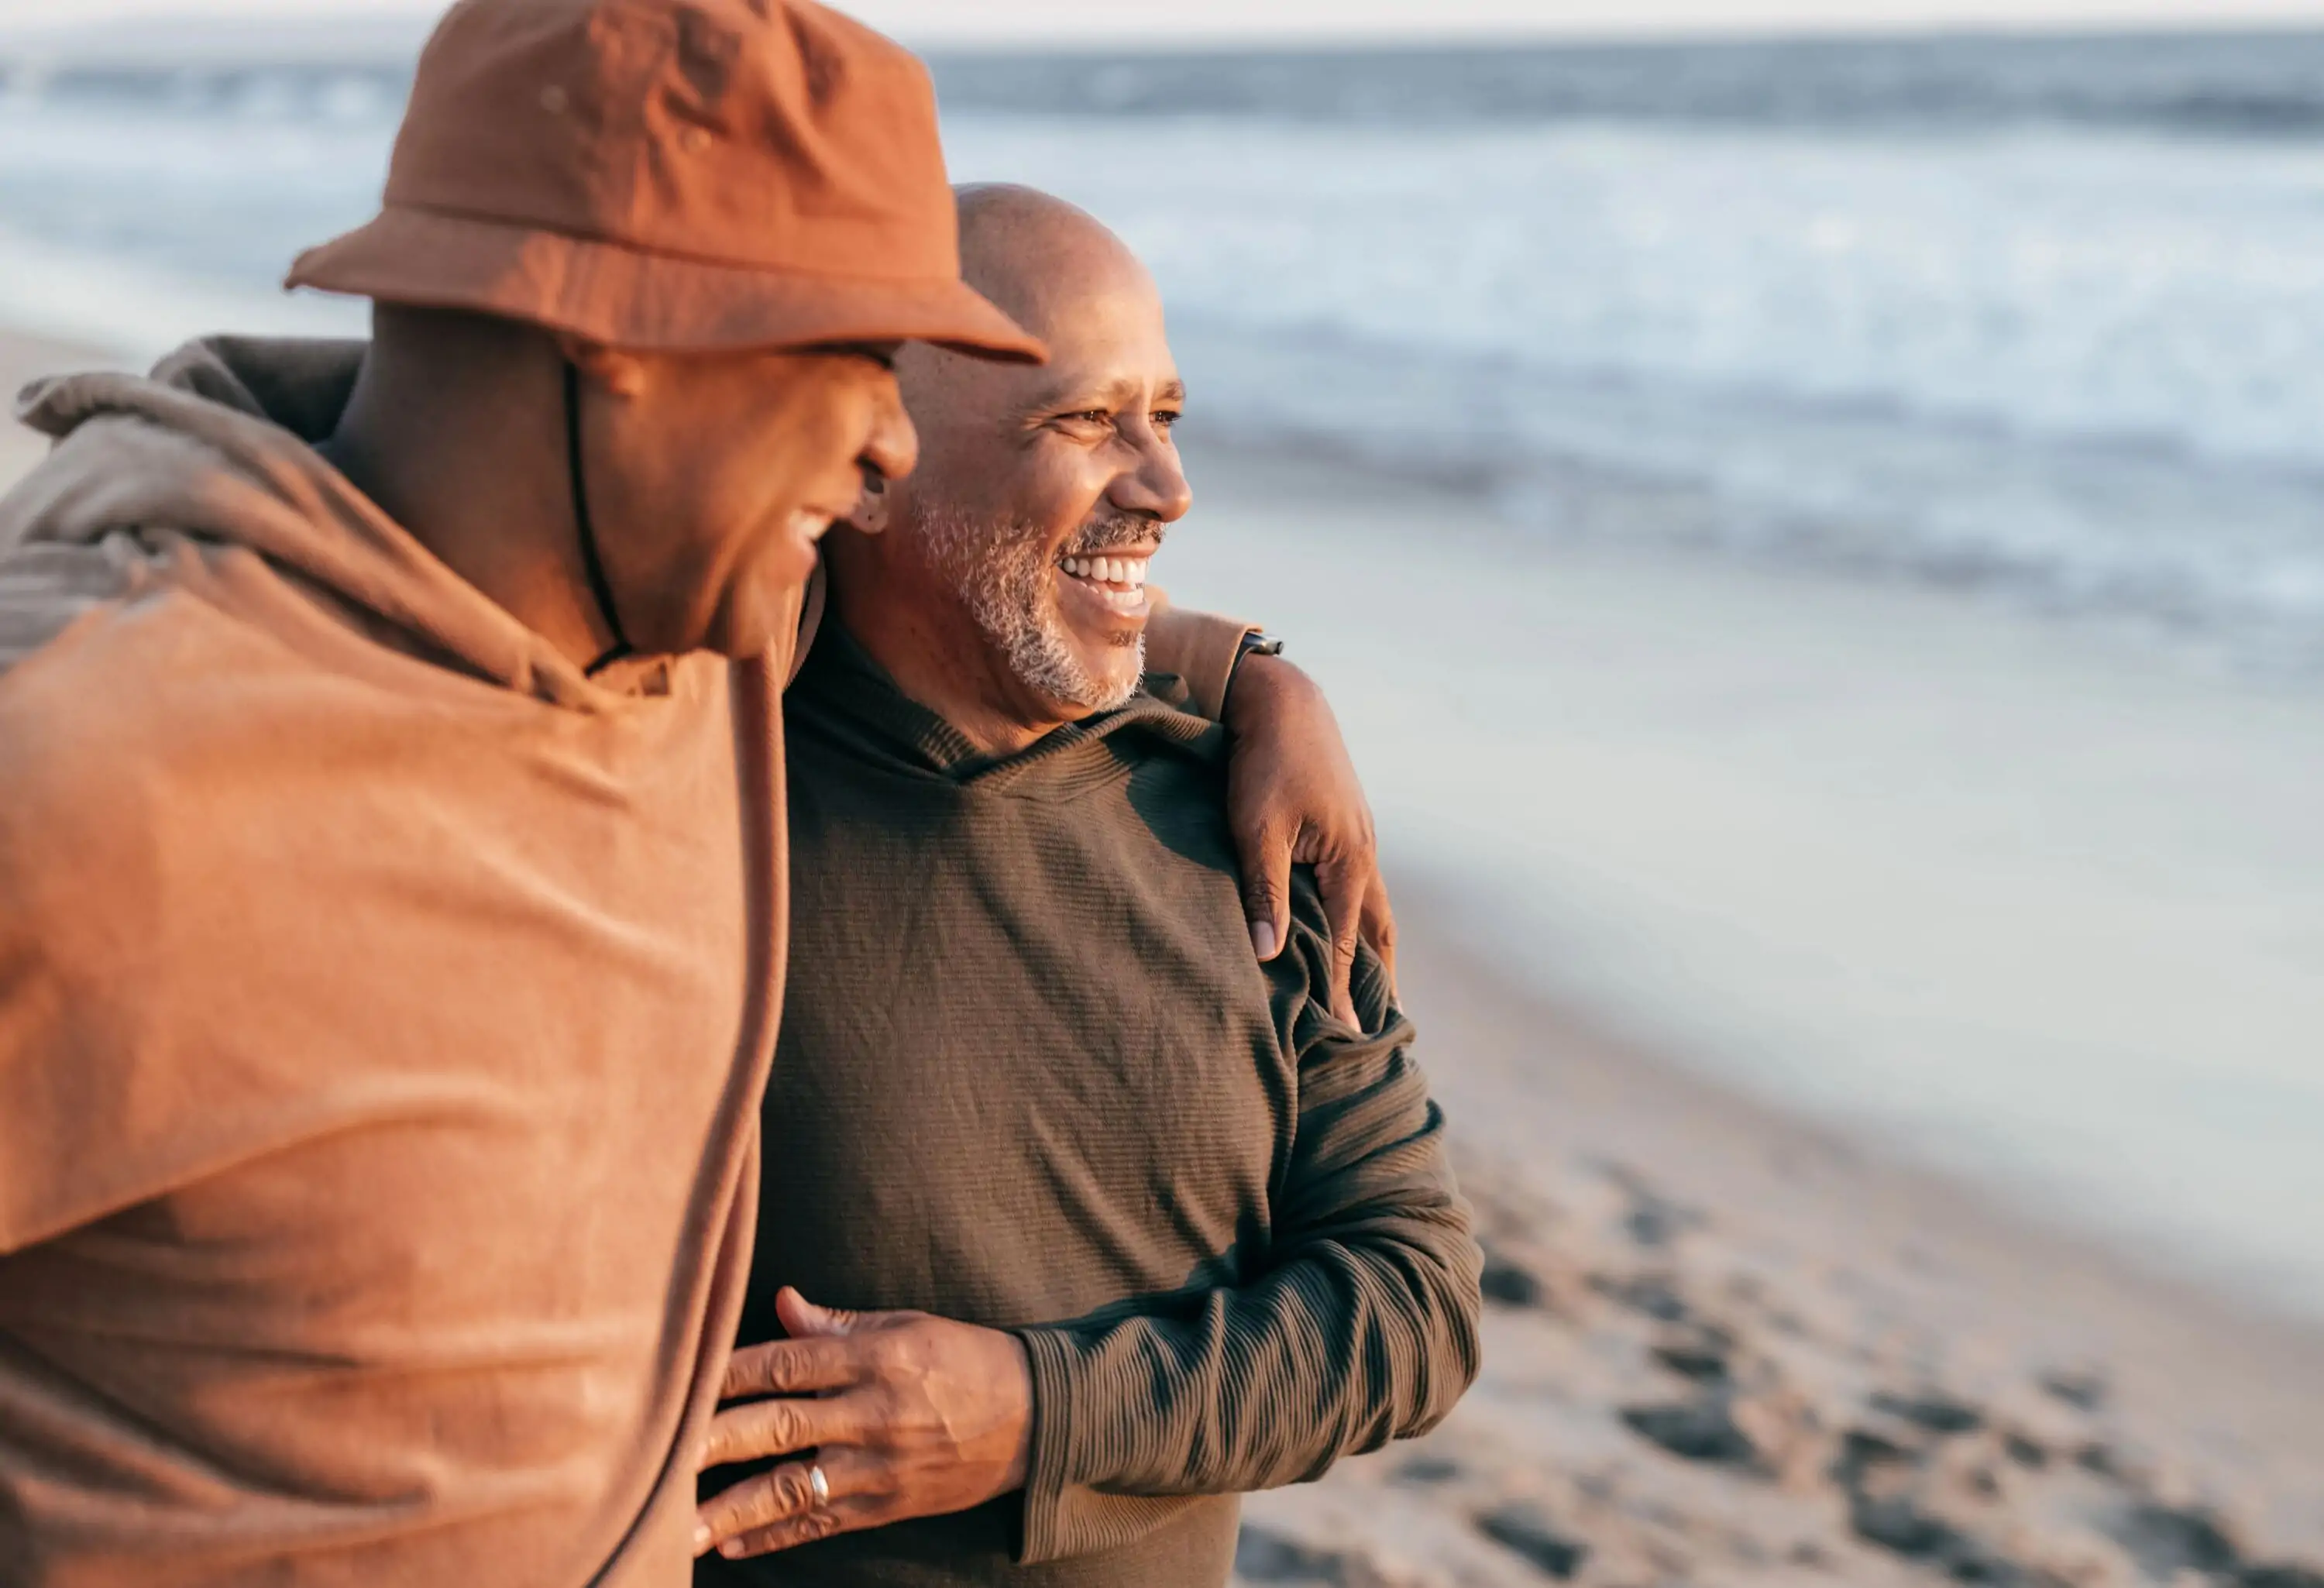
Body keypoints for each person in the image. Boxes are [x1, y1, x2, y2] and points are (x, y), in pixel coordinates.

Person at [0, 9, 1387, 1588]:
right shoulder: (90, 774)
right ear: (624, 347)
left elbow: (964, 591)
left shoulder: (705, 640)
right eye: (856, 360)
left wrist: (1248, 673)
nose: (884, 450)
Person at [689, 187, 1482, 1586]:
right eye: (1085, 420)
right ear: (869, 460)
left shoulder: (1250, 834)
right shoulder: (686, 803)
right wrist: (1234, 655)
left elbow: (1412, 1303)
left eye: (1165, 416)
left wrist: (1038, 1417)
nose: (1167, 486)